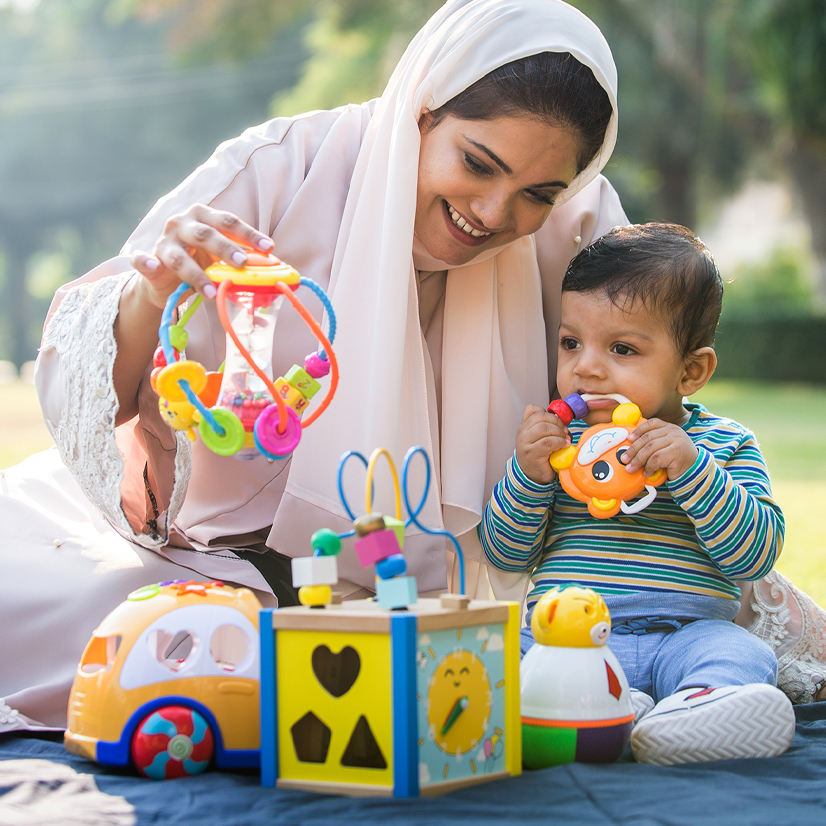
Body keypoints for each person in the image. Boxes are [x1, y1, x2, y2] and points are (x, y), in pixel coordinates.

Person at [0, 0, 823, 736]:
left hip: (465, 595)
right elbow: (87, 371)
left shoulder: (580, 229)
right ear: (422, 110)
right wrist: (154, 294)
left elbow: (647, 387)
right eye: (478, 163)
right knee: (138, 643)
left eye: (539, 191)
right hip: (221, 557)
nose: (497, 216)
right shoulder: (283, 168)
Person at [479, 222, 797, 765]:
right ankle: (612, 706)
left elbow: (755, 555)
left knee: (740, 654)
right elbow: (505, 555)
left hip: (687, 633)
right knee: (499, 658)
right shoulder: (559, 448)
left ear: (691, 371)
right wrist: (529, 477)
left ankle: (697, 708)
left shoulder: (721, 444)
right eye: (570, 342)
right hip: (567, 639)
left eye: (622, 348)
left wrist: (694, 471)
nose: (586, 367)